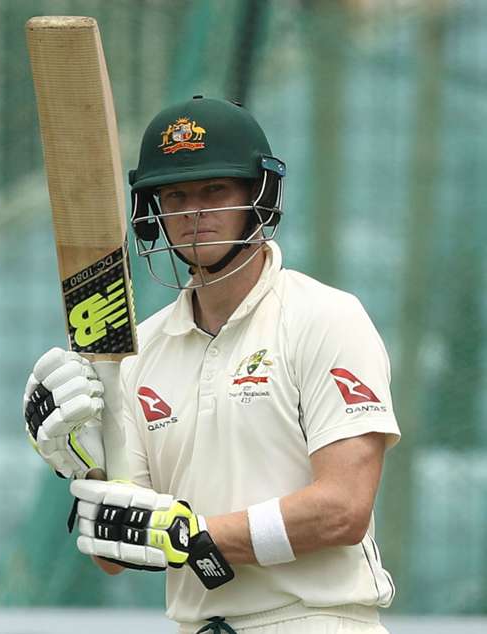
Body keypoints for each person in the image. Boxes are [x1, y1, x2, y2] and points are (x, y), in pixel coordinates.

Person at [24, 97, 399, 634]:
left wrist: (195, 535)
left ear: (258, 195)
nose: (192, 212)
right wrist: (83, 465)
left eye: (214, 190)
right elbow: (113, 556)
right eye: (175, 195)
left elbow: (344, 508)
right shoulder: (138, 352)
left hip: (315, 619)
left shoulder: (325, 318)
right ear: (152, 211)